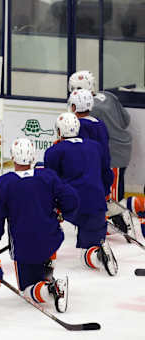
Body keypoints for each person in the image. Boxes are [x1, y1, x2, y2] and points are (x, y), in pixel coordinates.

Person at [0, 138, 78, 312]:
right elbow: (71, 199)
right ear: (32, 157)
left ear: (13, 157)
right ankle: (47, 272)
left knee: (27, 291)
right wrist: (63, 212)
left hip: (24, 246)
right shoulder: (48, 176)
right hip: (51, 239)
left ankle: (51, 288)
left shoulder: (4, 183)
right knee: (46, 240)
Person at [44, 113, 117, 276]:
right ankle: (97, 254)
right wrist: (104, 194)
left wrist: (54, 208)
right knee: (88, 252)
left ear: (59, 131)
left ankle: (47, 258)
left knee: (45, 225)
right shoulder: (95, 147)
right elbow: (107, 174)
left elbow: (50, 184)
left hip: (71, 203)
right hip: (97, 202)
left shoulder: (54, 151)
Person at [69, 70, 132, 202]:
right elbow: (126, 120)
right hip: (121, 148)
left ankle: (116, 220)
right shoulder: (108, 95)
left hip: (114, 153)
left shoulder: (89, 108)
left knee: (113, 198)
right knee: (114, 190)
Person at [68, 88, 110, 167]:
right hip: (100, 171)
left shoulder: (77, 125)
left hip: (85, 172)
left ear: (74, 107)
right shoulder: (100, 124)